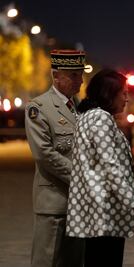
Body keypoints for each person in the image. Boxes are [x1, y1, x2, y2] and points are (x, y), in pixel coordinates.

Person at [65, 69, 134, 267]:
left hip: (92, 211)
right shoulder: (101, 119)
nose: (127, 98)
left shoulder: (86, 117)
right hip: (105, 213)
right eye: (123, 93)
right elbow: (111, 168)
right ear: (108, 93)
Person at [25, 49, 86, 267]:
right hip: (53, 201)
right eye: (73, 75)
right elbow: (44, 155)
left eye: (80, 74)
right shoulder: (39, 107)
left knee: (74, 262)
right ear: (56, 75)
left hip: (79, 204)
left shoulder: (81, 108)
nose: (79, 80)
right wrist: (83, 178)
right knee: (47, 261)